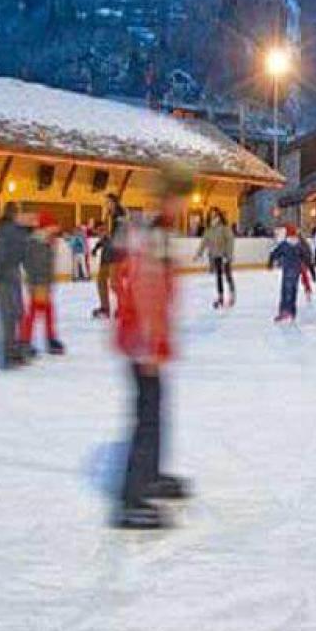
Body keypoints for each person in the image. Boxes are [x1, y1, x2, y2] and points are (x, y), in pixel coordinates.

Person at [111, 165, 195, 529]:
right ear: (169, 197)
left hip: (147, 339)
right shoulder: (153, 235)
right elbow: (144, 291)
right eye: (181, 198)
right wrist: (148, 344)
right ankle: (132, 498)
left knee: (155, 410)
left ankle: (151, 475)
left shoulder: (155, 231)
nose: (184, 205)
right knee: (145, 417)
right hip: (142, 341)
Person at [0, 203, 31, 368]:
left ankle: (11, 352)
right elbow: (24, 254)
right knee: (17, 312)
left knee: (9, 316)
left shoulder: (0, 230)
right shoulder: (19, 231)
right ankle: (16, 351)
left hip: (5, 274)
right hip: (14, 273)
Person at [19, 212, 66, 356]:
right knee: (33, 312)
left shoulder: (46, 242)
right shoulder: (36, 243)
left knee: (47, 311)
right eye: (53, 227)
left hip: (44, 282)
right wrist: (38, 284)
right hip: (38, 283)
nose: (55, 230)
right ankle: (24, 341)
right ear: (46, 227)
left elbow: (47, 265)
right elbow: (32, 265)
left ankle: (49, 339)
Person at [268, 225, 313, 322]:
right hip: (296, 270)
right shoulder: (299, 244)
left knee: (285, 290)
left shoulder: (285, 244)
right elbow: (306, 255)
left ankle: (284, 311)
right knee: (293, 290)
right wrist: (309, 266)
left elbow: (274, 253)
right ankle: (292, 311)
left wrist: (270, 263)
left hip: (287, 270)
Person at [195, 207, 237, 309]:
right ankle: (220, 296)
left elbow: (230, 242)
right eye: (212, 216)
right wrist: (199, 254)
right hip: (215, 256)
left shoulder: (225, 228)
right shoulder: (208, 230)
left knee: (227, 275)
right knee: (218, 277)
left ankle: (232, 294)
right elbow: (204, 242)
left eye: (216, 216)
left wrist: (228, 255)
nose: (214, 218)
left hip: (224, 256)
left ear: (219, 217)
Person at [92, 194, 126, 318]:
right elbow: (107, 234)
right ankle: (105, 309)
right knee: (101, 280)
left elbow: (120, 234)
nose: (106, 204)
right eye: (105, 202)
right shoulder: (108, 215)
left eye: (108, 201)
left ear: (114, 202)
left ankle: (125, 307)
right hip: (107, 253)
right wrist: (98, 245)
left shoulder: (120, 214)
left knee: (115, 283)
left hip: (116, 254)